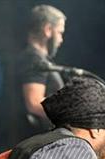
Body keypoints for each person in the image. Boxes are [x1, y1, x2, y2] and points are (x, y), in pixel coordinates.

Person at [13, 5, 68, 140]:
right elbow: (34, 102)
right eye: (60, 32)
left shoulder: (36, 58)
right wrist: (70, 117)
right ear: (48, 30)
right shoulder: (32, 59)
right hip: (36, 143)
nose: (61, 39)